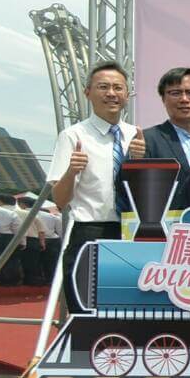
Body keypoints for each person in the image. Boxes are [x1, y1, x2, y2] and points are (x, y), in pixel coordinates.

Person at [48, 62, 145, 311]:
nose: (111, 93)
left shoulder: (137, 136)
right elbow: (59, 200)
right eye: (103, 87)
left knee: (129, 315)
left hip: (133, 234)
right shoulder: (73, 136)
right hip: (90, 233)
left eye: (118, 88)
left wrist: (141, 162)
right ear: (87, 92)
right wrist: (72, 171)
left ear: (127, 95)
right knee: (87, 314)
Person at [143, 67, 190, 206]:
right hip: (164, 219)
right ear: (163, 99)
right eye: (175, 93)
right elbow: (133, 189)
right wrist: (134, 158)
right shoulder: (148, 140)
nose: (184, 99)